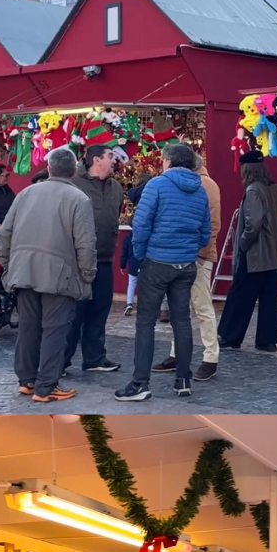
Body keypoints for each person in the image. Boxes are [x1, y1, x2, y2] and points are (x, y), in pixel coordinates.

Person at [0, 146, 95, 402]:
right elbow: (85, 243)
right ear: (74, 171)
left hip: (23, 270)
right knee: (55, 330)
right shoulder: (79, 199)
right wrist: (87, 275)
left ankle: (27, 380)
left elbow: (4, 234)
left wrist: (9, 265)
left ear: (49, 168)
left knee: (28, 327)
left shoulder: (26, 193)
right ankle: (47, 386)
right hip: (59, 276)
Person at [115, 142, 210, 402]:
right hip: (185, 264)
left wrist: (141, 254)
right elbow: (205, 232)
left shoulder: (156, 186)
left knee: (145, 322)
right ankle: (183, 379)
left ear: (167, 161)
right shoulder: (200, 191)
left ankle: (140, 383)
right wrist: (189, 248)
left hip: (157, 261)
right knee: (182, 321)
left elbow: (141, 224)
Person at [153, 154, 221, 381]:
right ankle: (177, 353)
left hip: (197, 256)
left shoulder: (206, 185)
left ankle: (210, 357)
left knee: (201, 307)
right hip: (189, 254)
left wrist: (201, 255)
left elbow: (212, 224)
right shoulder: (198, 184)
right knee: (181, 308)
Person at [217, 152, 277, 353]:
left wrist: (243, 243)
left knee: (240, 295)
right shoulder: (275, 190)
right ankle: (266, 340)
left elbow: (253, 223)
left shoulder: (253, 191)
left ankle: (231, 336)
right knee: (268, 298)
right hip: (273, 253)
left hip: (255, 254)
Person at [65, 145, 124, 375]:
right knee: (74, 313)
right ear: (96, 160)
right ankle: (59, 362)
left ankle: (94, 358)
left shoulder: (115, 187)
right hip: (79, 260)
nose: (114, 159)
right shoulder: (74, 185)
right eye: (110, 156)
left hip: (106, 257)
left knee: (100, 309)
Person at [119, 179, 149, 316]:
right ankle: (144, 304)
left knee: (132, 283)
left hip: (132, 263)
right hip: (144, 262)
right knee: (145, 284)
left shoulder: (127, 238)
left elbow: (124, 252)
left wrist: (122, 264)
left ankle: (129, 303)